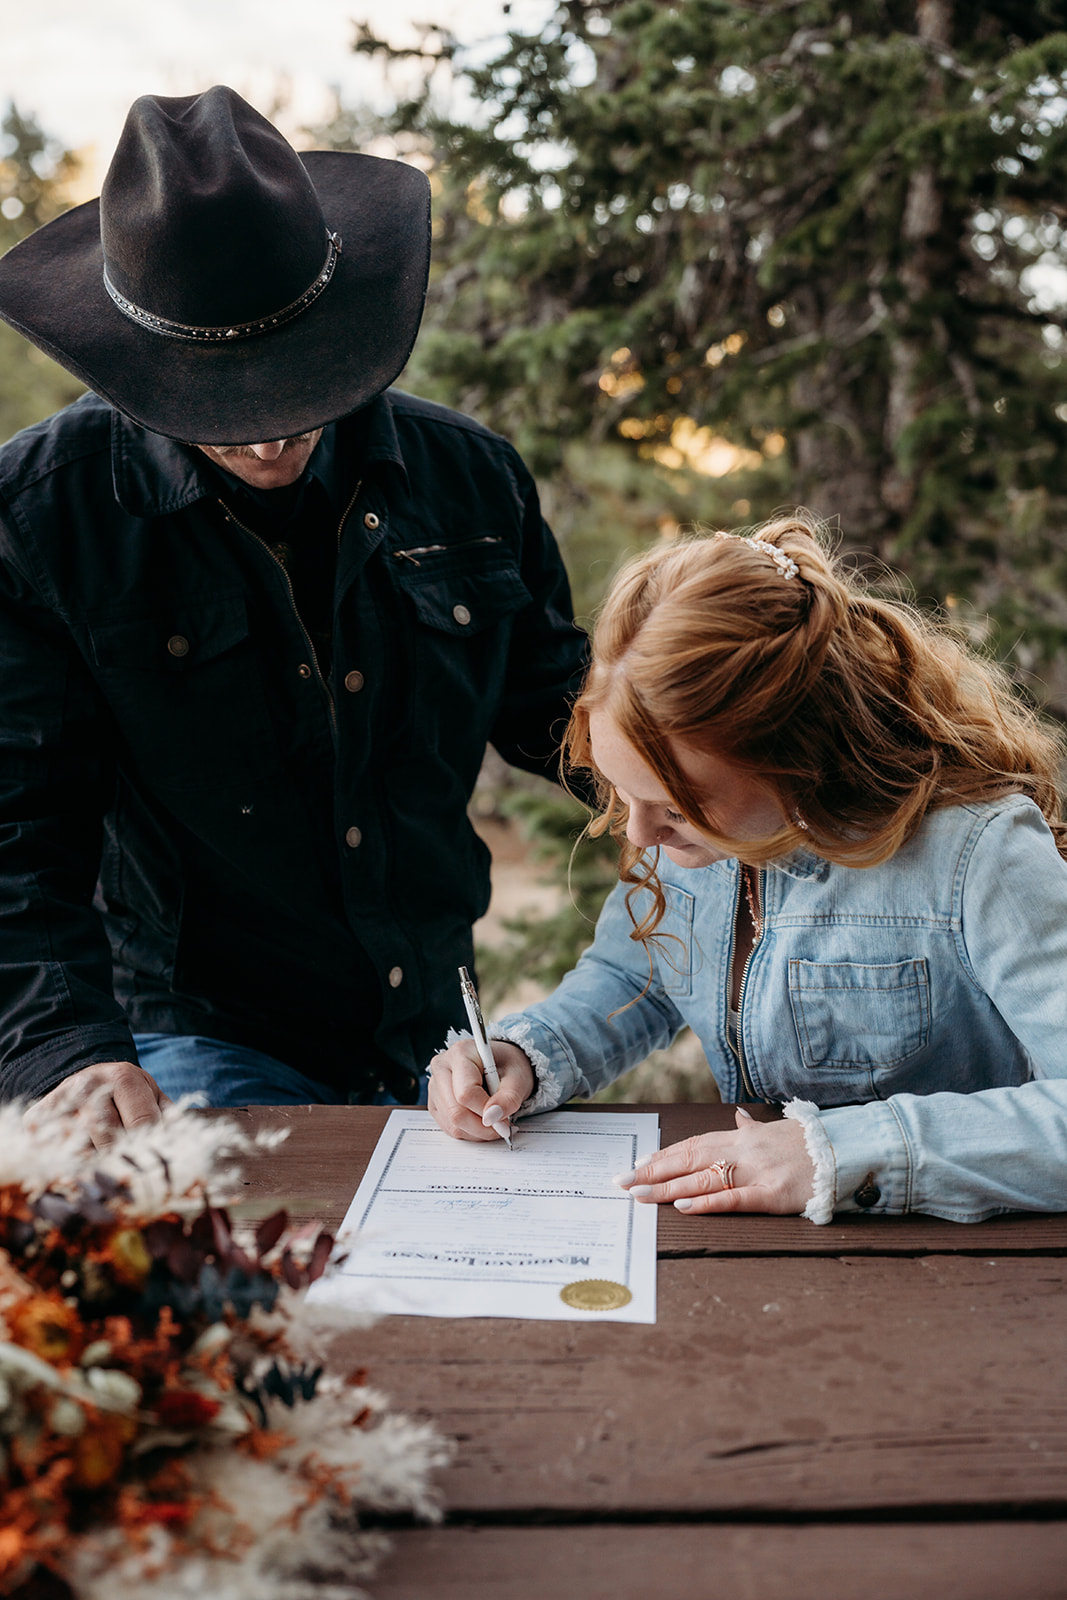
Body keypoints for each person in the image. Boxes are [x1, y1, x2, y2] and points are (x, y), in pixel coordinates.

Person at [0, 86, 588, 1134]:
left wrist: (729, 766)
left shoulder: (471, 479)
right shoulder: (40, 519)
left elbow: (564, 716)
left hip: (434, 1030)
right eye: (224, 404)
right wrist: (63, 1049)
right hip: (193, 1033)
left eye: (295, 386)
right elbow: (15, 834)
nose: (271, 439)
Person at [428, 514, 1067, 1223]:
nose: (638, 834)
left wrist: (835, 1153)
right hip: (762, 1250)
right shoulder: (690, 845)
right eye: (621, 793)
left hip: (954, 1268)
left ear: (794, 756)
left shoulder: (976, 853)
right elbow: (632, 976)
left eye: (676, 809)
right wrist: (527, 1054)